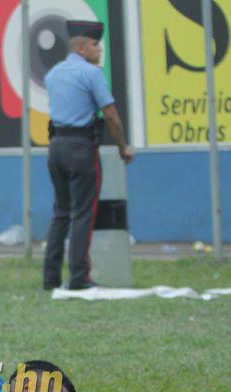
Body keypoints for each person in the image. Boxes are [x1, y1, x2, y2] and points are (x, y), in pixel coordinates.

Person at [42, 20, 134, 291]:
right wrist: (122, 147)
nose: (100, 50)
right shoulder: (92, 74)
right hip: (81, 148)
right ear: (81, 47)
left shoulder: (53, 74)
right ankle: (80, 277)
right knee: (83, 213)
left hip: (56, 147)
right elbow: (111, 115)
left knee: (61, 212)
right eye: (95, 45)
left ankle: (51, 277)